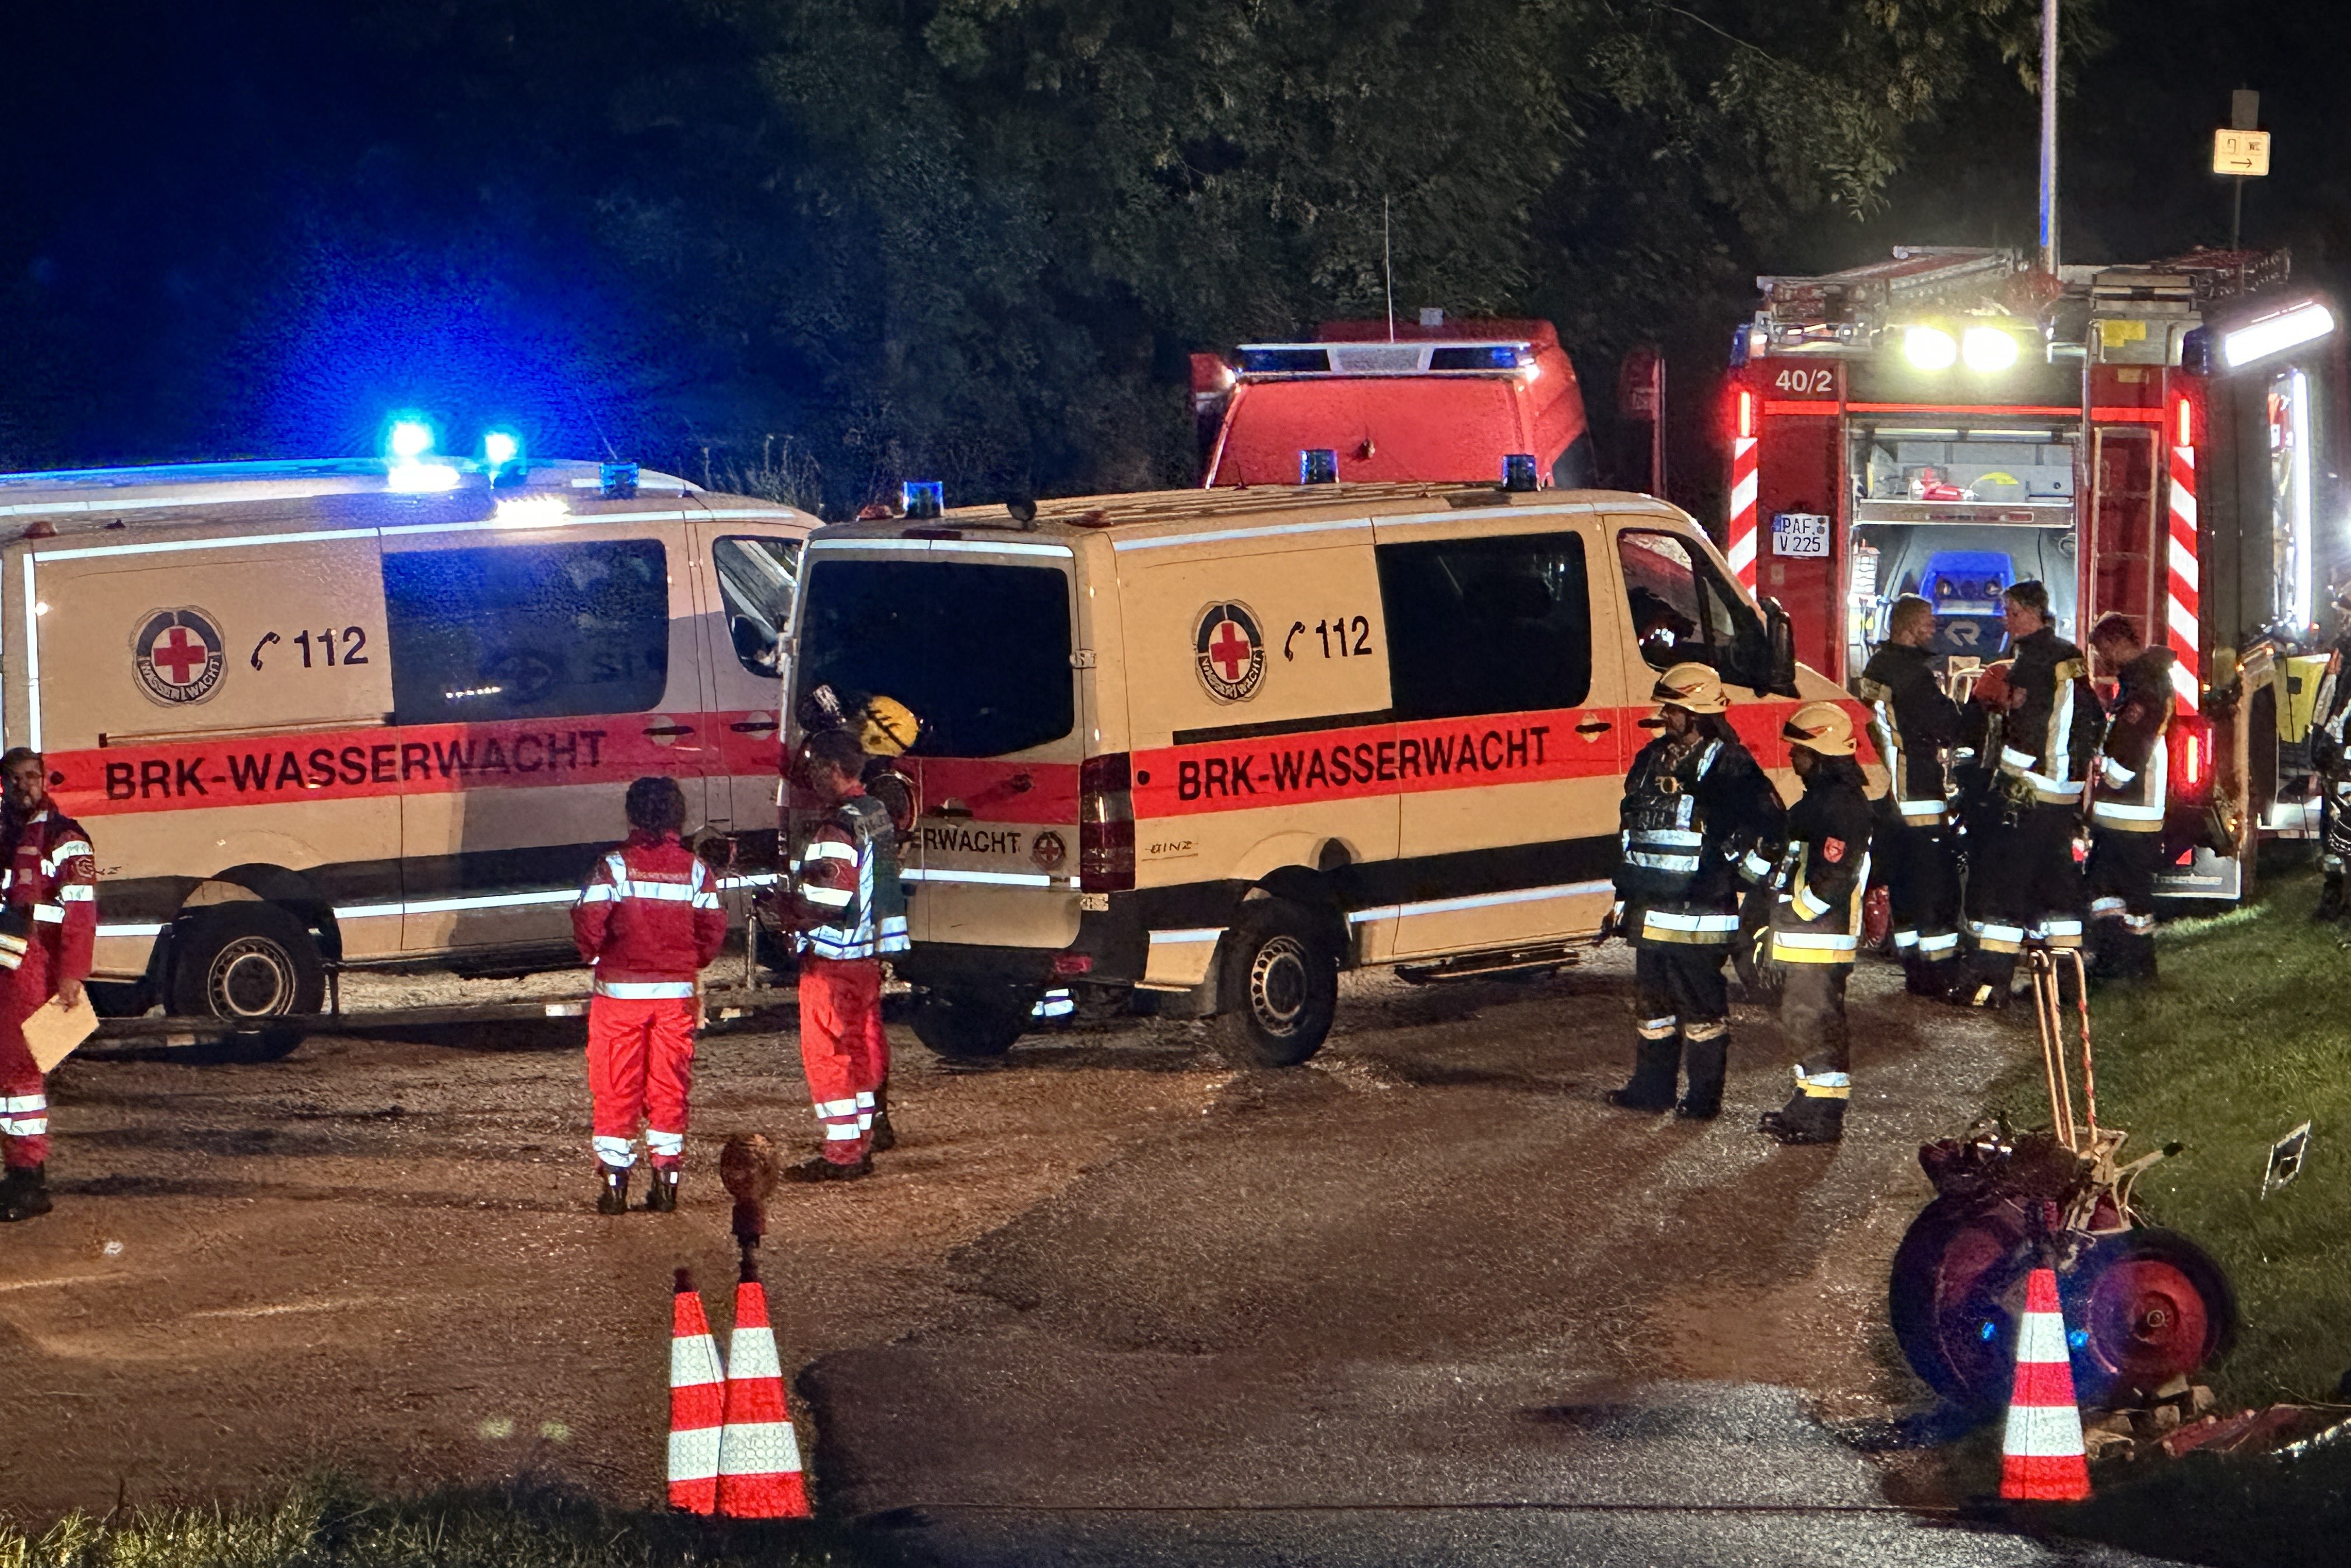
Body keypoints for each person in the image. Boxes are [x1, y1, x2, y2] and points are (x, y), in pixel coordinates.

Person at [1606, 663, 1784, 1120]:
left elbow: (1772, 829)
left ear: (1699, 713)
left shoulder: (1731, 764)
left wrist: (1740, 874)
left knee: (1702, 1012)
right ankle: (1652, 1089)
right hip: (1651, 908)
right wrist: (1624, 896)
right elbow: (1631, 828)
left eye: (1674, 708)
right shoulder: (1650, 759)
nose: (1665, 715)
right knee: (1653, 1010)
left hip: (1700, 911)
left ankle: (1703, 1099)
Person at [573, 776, 727, 1215]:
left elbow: (589, 922)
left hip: (620, 998)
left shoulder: (613, 866)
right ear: (679, 817)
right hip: (675, 998)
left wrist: (597, 955)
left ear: (632, 815)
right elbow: (712, 930)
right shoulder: (695, 870)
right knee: (669, 1086)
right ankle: (666, 1181)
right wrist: (687, 962)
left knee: (615, 1085)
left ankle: (615, 1185)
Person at [1953, 581, 2100, 1007]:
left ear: (2031, 612)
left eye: (2011, 612)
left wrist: (2003, 778)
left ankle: (1991, 985)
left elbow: (2028, 728)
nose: (2007, 621)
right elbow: (2092, 717)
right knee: (2057, 889)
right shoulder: (2069, 658)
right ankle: (2066, 986)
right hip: (2063, 794)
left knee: (2006, 885)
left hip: (2031, 791)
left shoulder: (2034, 662)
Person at [787, 728, 910, 1180]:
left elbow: (829, 900)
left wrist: (788, 913)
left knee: (829, 1054)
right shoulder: (874, 811)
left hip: (833, 961)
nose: (812, 777)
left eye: (816, 768)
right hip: (867, 956)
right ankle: (863, 1138)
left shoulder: (838, 826)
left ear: (834, 769)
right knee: (859, 1046)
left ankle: (843, 1152)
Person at [1759, 704, 1876, 1146]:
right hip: (1805, 939)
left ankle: (1824, 1119)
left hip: (1820, 940)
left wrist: (1794, 915)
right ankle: (1805, 1105)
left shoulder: (1841, 807)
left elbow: (1837, 876)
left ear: (1821, 754)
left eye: (1800, 751)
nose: (1793, 757)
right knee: (1802, 1024)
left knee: (1818, 1024)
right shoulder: (1821, 801)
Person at [0, 748, 98, 1222]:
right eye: (15, 779)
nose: (24, 787)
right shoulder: (4, 834)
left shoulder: (66, 838)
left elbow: (81, 913)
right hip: (7, 961)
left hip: (32, 964)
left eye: (31, 777)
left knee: (19, 1073)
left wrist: (72, 975)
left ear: (45, 779)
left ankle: (28, 1178)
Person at [1857, 595, 1966, 996]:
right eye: (1927, 622)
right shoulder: (1912, 676)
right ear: (1907, 627)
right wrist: (1977, 710)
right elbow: (1946, 726)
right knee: (1935, 887)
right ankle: (1938, 973)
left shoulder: (1879, 667)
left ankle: (1913, 969)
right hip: (1916, 793)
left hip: (1889, 796)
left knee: (1903, 886)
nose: (1934, 628)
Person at [2083, 613, 2175, 980]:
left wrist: (2111, 775)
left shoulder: (2144, 685)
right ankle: (2120, 961)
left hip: (2132, 808)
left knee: (2128, 893)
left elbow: (2134, 743)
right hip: (2125, 811)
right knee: (2109, 889)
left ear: (2116, 643)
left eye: (2102, 651)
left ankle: (2133, 967)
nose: (2102, 660)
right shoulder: (2140, 680)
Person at [2307, 588, 2351, 920]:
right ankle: (2335, 897)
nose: (2343, 622)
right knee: (2335, 833)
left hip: (2343, 761)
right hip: (2338, 763)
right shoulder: (2343, 655)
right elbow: (2328, 707)